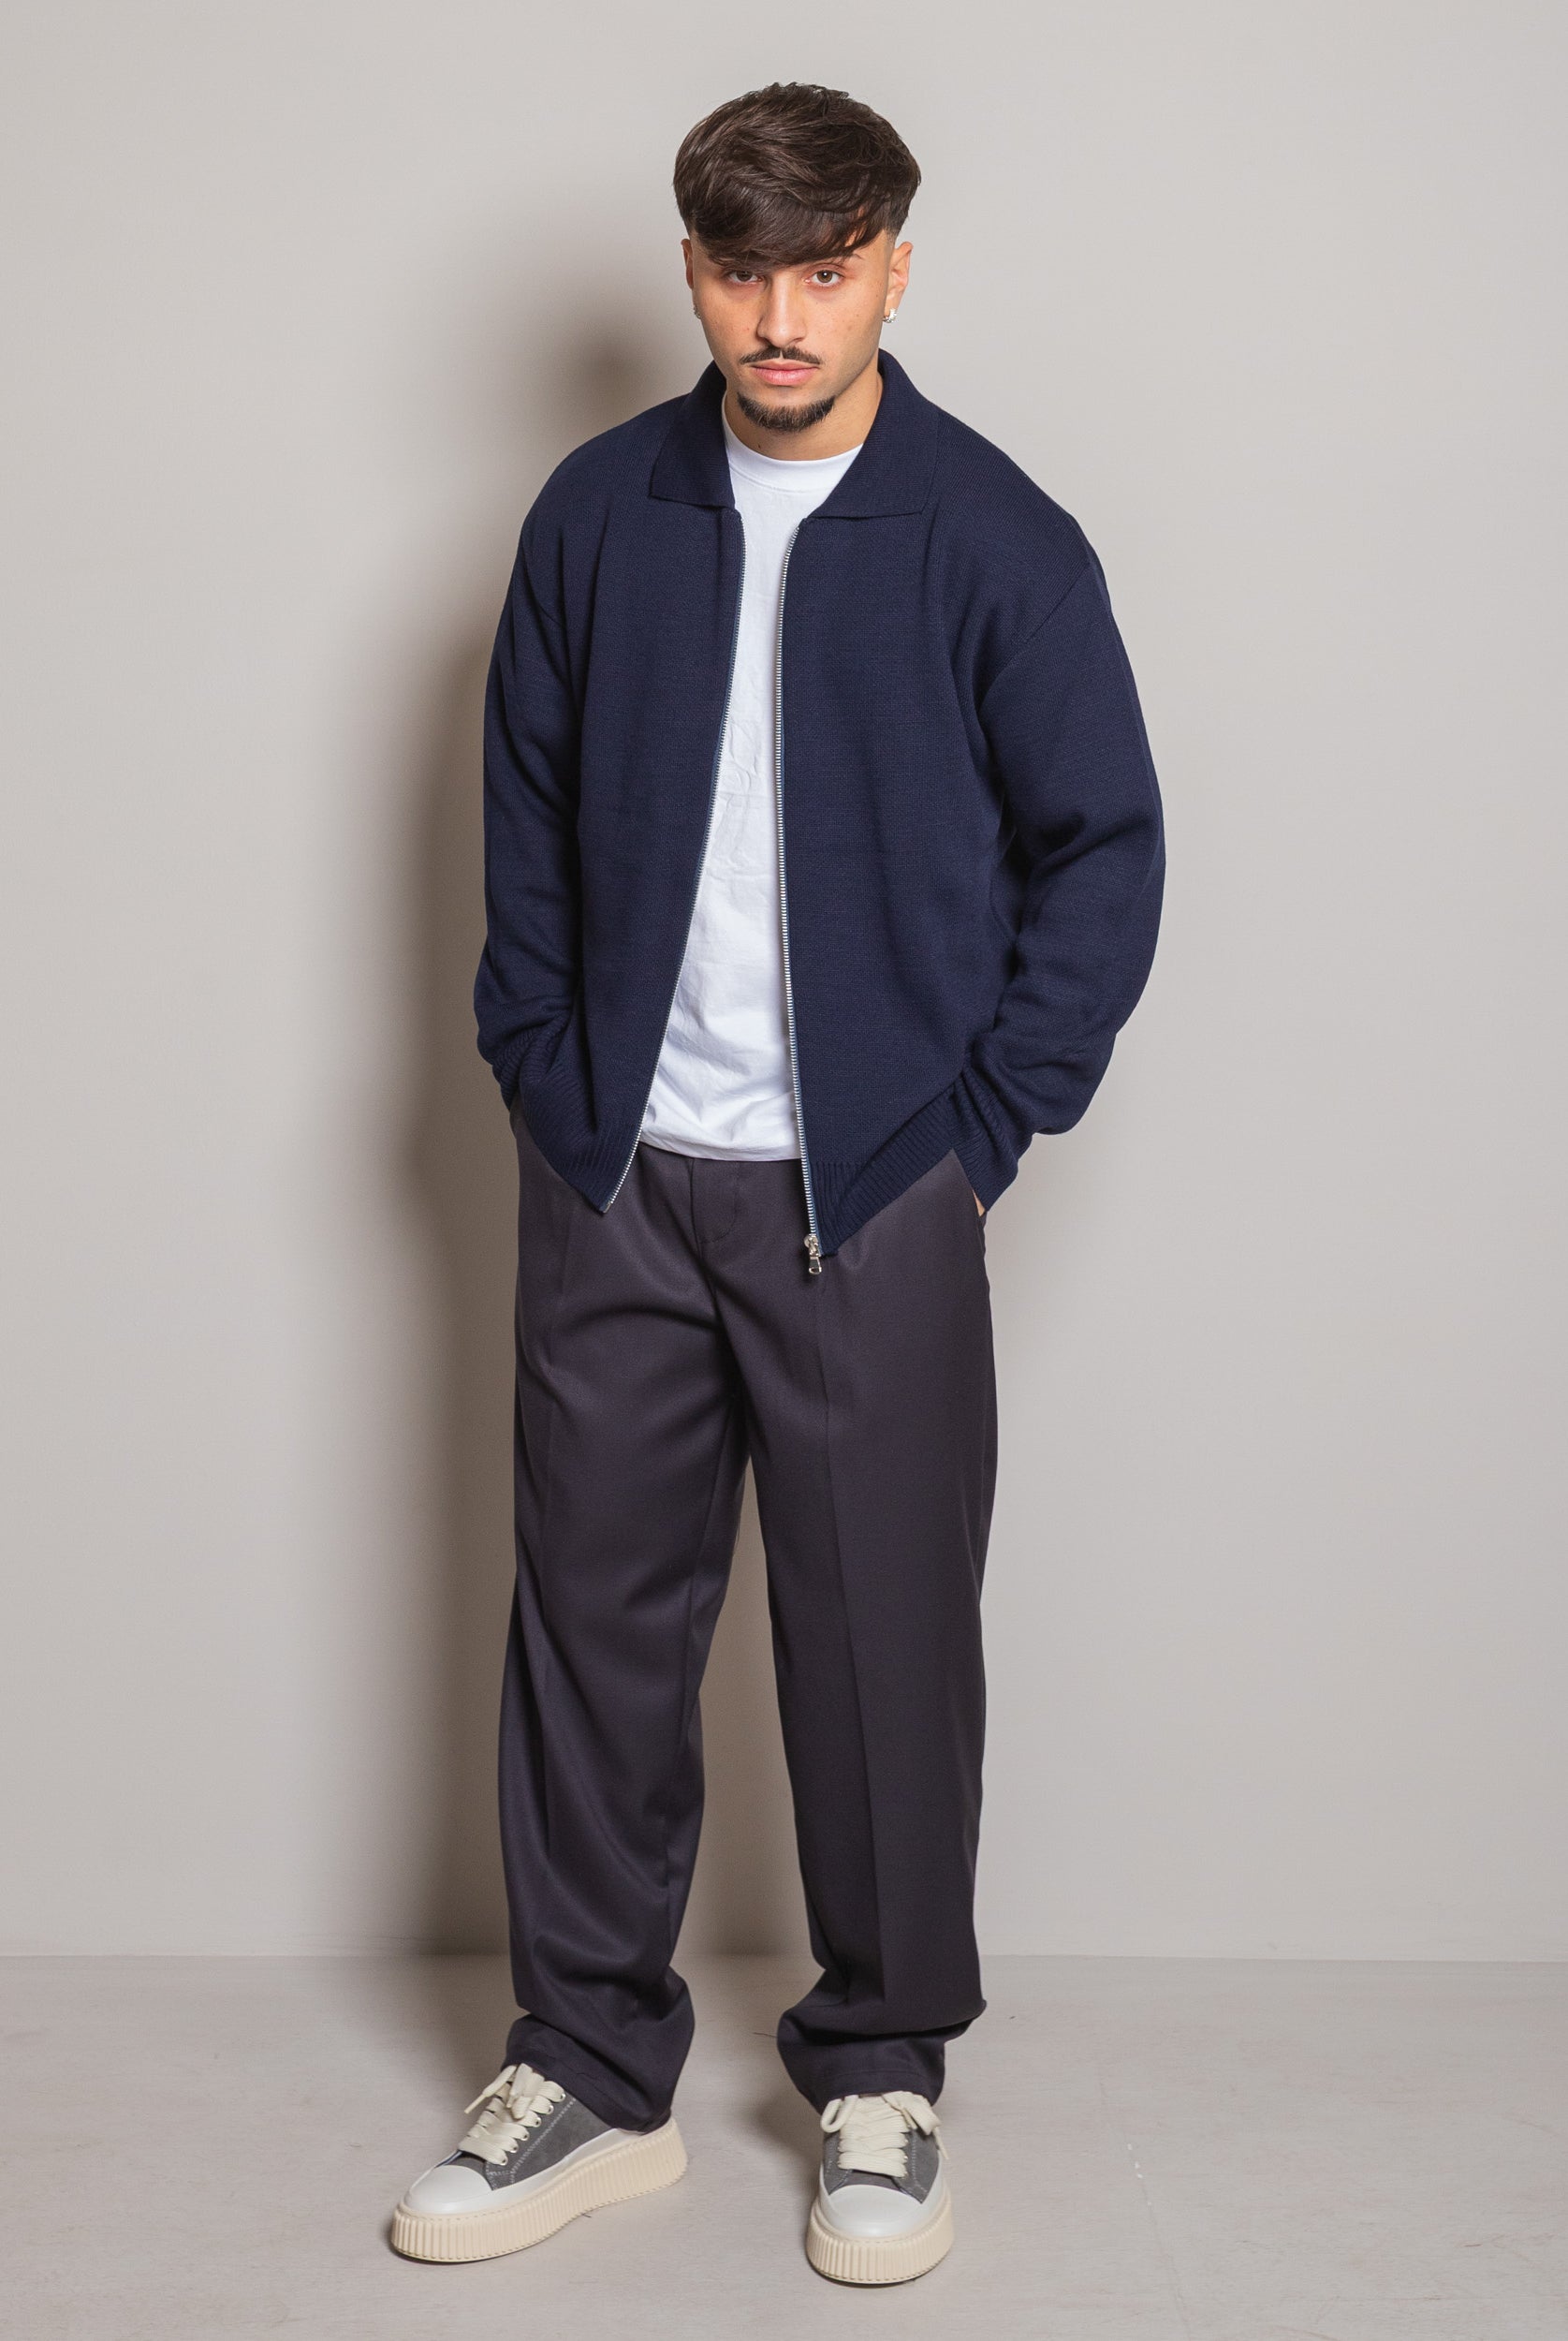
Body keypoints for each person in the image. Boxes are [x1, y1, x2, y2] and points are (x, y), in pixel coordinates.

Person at [391, 79, 1164, 2286]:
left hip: (872, 1190)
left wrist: (974, 1128)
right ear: (693, 273)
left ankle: (883, 2066)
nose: (781, 316)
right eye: (742, 270)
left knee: (881, 1643)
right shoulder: (598, 515)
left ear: (894, 265)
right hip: (620, 1175)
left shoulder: (991, 536)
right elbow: (522, 819)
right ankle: (587, 2065)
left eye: (825, 269)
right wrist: (547, 1082)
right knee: (593, 1634)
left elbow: (1103, 852)